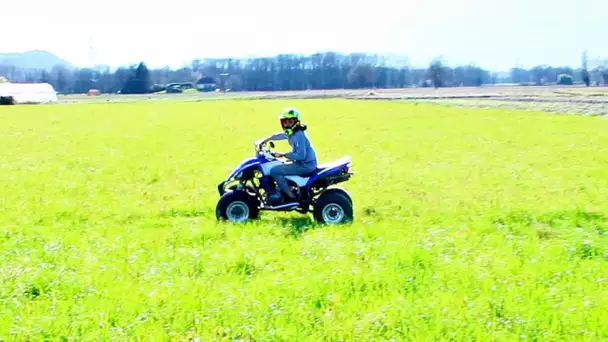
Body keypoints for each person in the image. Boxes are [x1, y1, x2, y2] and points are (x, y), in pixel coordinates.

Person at [258, 108, 318, 203]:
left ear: (295, 122)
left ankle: (289, 195)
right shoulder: (293, 133)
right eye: (284, 122)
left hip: (305, 165)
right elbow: (281, 135)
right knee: (279, 164)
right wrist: (266, 139)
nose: (286, 124)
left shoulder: (299, 135)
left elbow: (301, 155)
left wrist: (283, 155)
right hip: (300, 163)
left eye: (289, 122)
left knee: (275, 171)